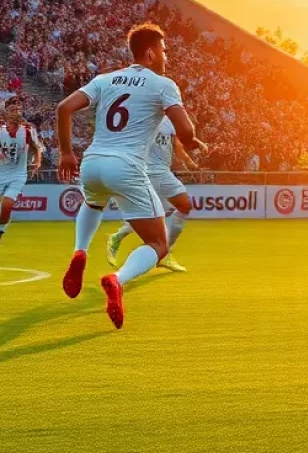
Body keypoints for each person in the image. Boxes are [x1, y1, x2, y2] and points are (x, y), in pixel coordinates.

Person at [56, 23, 207, 329]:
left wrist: (66, 153)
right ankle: (117, 279)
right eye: (164, 51)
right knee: (158, 245)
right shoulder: (163, 84)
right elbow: (186, 130)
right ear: (151, 53)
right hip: (126, 166)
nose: (167, 57)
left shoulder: (105, 79)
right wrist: (191, 142)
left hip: (93, 162)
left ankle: (79, 251)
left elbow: (63, 107)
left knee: (93, 202)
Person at [105, 116, 200, 273]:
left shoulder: (165, 119)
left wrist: (188, 160)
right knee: (182, 206)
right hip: (153, 172)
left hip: (155, 172)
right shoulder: (146, 115)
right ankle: (163, 253)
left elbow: (175, 145)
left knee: (159, 215)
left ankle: (119, 237)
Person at [0, 96, 42, 243]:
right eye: (13, 109)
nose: (17, 112)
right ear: (6, 112)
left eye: (19, 109)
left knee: (7, 204)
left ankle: (1, 230)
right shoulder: (1, 129)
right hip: (1, 172)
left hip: (18, 174)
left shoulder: (27, 130)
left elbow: (37, 148)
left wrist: (37, 163)